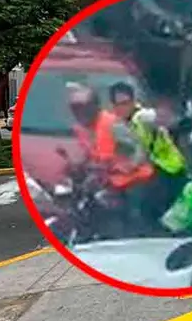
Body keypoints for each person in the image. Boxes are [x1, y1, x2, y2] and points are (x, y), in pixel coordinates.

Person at [66, 82, 155, 236]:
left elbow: (139, 147)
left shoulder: (112, 124)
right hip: (114, 185)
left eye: (83, 107)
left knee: (135, 226)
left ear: (95, 106)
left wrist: (130, 165)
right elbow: (95, 155)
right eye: (74, 108)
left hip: (136, 183)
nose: (79, 112)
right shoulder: (84, 129)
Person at [108, 82, 190, 224]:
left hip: (172, 169)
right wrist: (129, 167)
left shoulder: (141, 116)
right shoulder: (131, 123)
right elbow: (143, 149)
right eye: (119, 104)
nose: (123, 108)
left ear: (134, 101)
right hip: (162, 168)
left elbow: (158, 117)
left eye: (126, 103)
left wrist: (175, 123)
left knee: (154, 209)